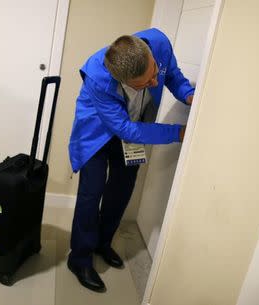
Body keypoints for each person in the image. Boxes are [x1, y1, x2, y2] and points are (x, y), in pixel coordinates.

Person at [67, 28, 195, 292]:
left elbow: (171, 76)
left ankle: (103, 243)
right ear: (122, 81)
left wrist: (188, 94)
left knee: (122, 188)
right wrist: (176, 132)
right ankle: (79, 258)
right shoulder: (98, 77)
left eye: (152, 75)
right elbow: (124, 129)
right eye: (145, 84)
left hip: (133, 123)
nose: (154, 84)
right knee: (91, 193)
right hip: (98, 131)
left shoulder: (158, 44)